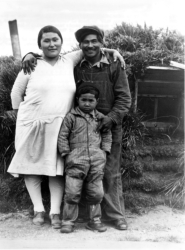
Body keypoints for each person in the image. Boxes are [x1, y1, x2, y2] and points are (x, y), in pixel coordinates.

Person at [8, 25, 124, 228]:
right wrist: (21, 118)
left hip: (61, 125)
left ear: (61, 42)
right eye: (46, 40)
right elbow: (15, 94)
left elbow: (93, 48)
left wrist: (114, 51)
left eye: (55, 39)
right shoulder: (31, 65)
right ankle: (38, 210)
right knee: (31, 168)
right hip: (31, 124)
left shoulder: (68, 60)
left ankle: (54, 213)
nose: (52, 43)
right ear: (39, 44)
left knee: (58, 168)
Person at [74, 26, 131, 230]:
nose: (90, 45)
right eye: (85, 42)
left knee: (110, 171)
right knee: (82, 168)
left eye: (94, 41)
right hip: (81, 126)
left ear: (101, 43)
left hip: (109, 126)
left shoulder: (114, 63)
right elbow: (51, 56)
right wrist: (30, 54)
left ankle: (116, 215)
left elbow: (124, 98)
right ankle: (84, 215)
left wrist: (112, 118)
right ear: (80, 45)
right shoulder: (75, 65)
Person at [58, 84, 112, 233]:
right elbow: (63, 135)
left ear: (97, 101)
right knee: (72, 193)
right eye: (83, 100)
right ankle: (68, 221)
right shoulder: (71, 117)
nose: (87, 103)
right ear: (77, 100)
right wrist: (66, 153)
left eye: (91, 100)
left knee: (96, 193)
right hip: (75, 161)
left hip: (96, 161)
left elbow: (107, 135)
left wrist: (104, 152)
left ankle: (94, 221)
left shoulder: (101, 118)